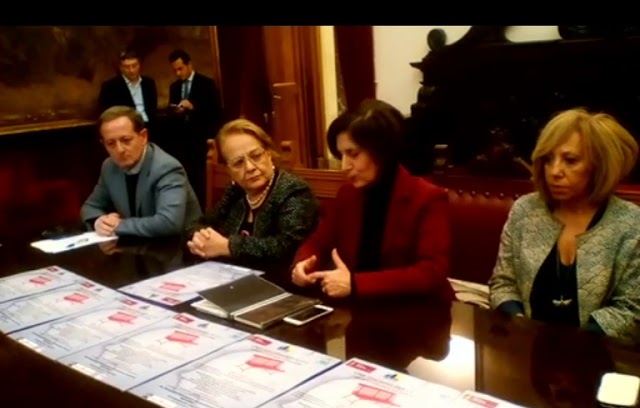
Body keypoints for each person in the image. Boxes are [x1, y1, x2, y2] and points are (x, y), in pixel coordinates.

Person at [489, 108, 640, 344]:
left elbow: (631, 310)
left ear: (599, 165)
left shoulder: (631, 223)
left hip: (600, 355)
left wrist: (578, 345)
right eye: (548, 160)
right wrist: (520, 324)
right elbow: (503, 283)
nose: (554, 171)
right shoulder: (525, 210)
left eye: (570, 160)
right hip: (528, 348)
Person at [291, 99, 454, 301]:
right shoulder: (348, 194)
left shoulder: (427, 197)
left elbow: (431, 272)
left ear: (382, 152)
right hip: (360, 305)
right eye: (341, 155)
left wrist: (356, 283)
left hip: (418, 309)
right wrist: (303, 264)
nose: (344, 166)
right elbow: (319, 241)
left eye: (353, 154)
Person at [185, 118, 319, 271]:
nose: (250, 167)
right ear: (228, 170)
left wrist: (228, 246)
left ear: (268, 154)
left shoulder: (295, 191)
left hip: (277, 280)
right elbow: (197, 225)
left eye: (256, 156)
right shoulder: (235, 191)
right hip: (232, 276)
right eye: (238, 163)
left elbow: (286, 249)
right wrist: (199, 239)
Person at [81, 106, 202, 238]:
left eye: (126, 140)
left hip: (181, 245)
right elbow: (90, 207)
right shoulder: (109, 167)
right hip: (138, 244)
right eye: (111, 143)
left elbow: (169, 222)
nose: (119, 150)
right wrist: (99, 221)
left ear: (143, 136)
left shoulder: (167, 168)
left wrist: (118, 225)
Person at [168, 48, 223, 207]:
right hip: (183, 141)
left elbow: (215, 112)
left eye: (180, 69)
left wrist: (193, 107)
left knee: (203, 177)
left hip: (202, 138)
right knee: (187, 176)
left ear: (189, 65)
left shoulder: (206, 83)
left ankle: (206, 206)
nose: (178, 73)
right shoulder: (174, 87)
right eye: (175, 70)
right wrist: (176, 111)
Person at [98, 50, 158, 136]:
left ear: (139, 65)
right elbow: (106, 113)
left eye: (134, 66)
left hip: (149, 126)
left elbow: (153, 109)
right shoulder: (110, 86)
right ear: (121, 68)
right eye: (127, 67)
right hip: (124, 129)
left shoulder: (149, 83)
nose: (131, 70)